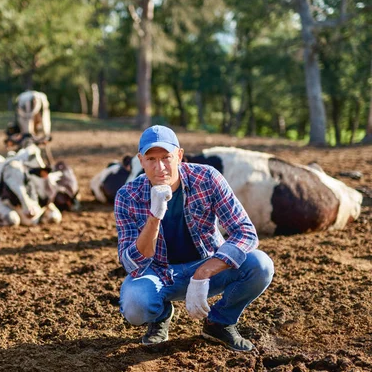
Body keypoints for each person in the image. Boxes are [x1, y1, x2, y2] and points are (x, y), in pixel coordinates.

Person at [114, 125, 274, 352]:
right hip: (159, 273)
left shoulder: (207, 178)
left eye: (166, 157)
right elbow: (132, 263)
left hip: (208, 264)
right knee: (134, 304)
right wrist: (154, 217)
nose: (159, 167)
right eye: (151, 159)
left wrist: (204, 272)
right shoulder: (127, 196)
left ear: (179, 155)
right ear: (141, 160)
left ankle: (220, 321)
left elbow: (245, 232)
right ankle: (160, 316)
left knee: (260, 265)